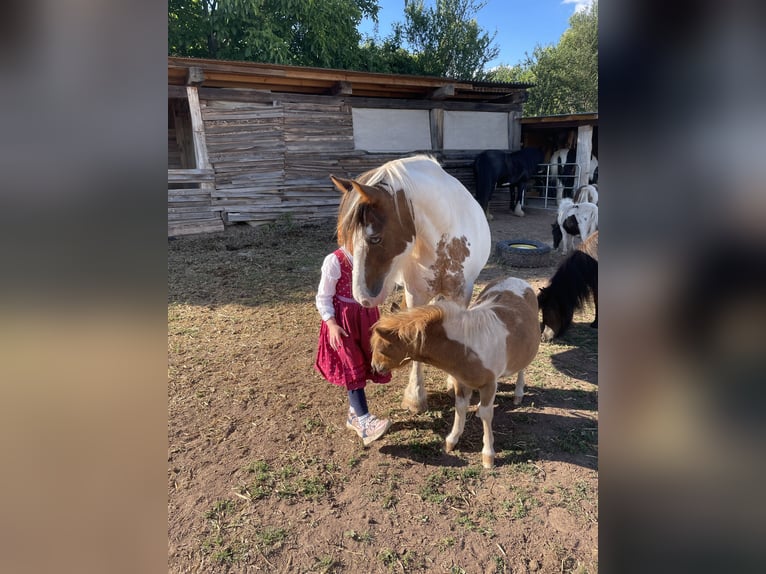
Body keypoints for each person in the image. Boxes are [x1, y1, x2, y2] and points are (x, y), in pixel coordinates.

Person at [314, 239, 392, 446]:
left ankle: (353, 414)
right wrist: (331, 324)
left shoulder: (371, 259)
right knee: (351, 367)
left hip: (367, 319)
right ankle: (365, 422)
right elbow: (323, 297)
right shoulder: (335, 261)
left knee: (367, 362)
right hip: (344, 324)